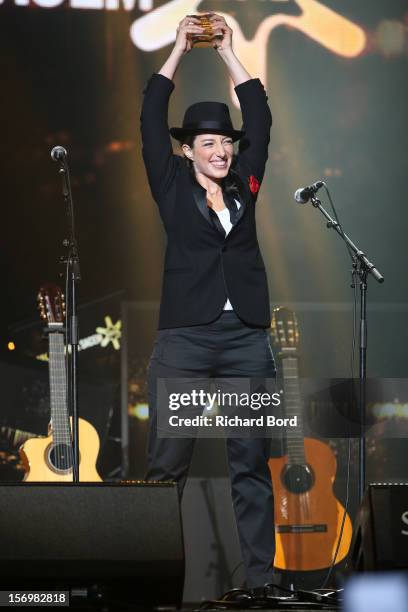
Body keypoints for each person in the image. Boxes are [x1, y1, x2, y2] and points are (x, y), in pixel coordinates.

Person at [140, 12, 277, 592]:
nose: (221, 150)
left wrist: (226, 50)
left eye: (225, 141)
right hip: (186, 341)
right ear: (189, 151)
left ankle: (262, 583)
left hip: (246, 340)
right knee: (168, 465)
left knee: (251, 463)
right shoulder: (169, 183)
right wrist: (176, 50)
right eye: (209, 143)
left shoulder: (246, 179)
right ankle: (146, 580)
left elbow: (262, 119)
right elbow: (150, 118)